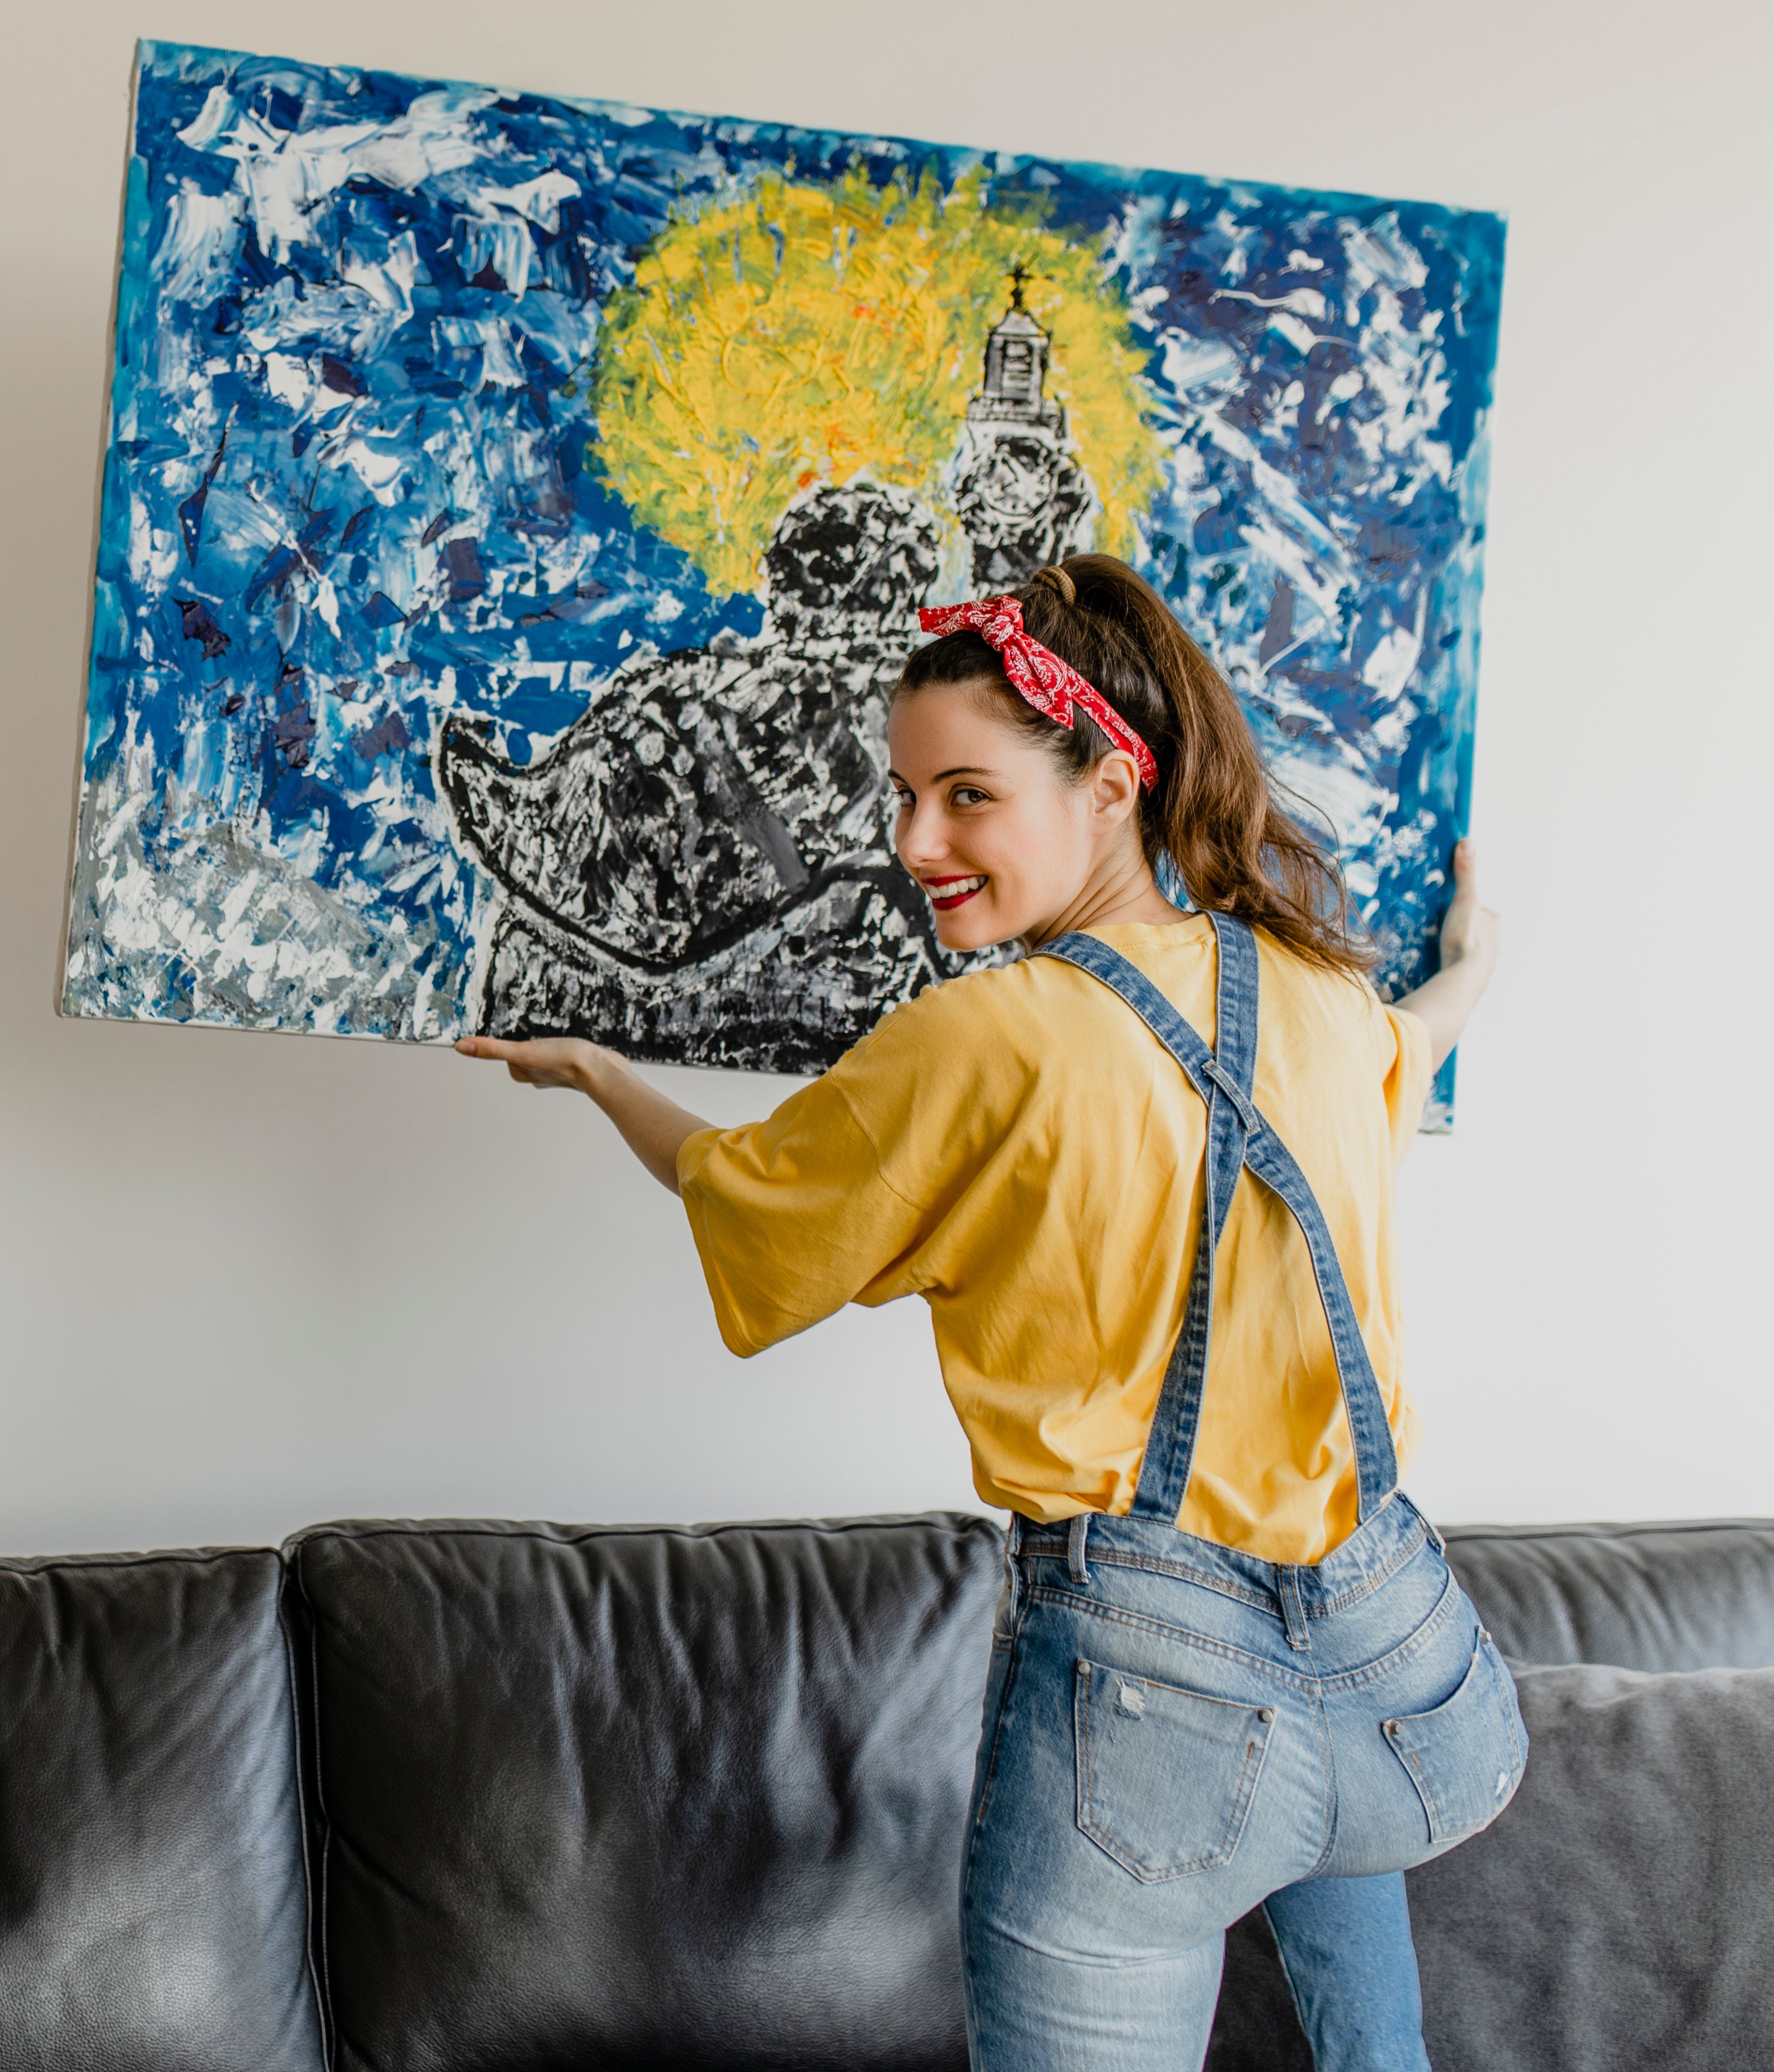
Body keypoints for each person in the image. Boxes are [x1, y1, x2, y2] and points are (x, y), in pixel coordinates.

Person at [456, 555, 1519, 2071]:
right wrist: (1477, 966)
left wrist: (608, 1077)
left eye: (966, 796)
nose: (913, 843)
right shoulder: (1314, 994)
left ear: (1110, 785)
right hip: (1394, 1687)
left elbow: (748, 1197)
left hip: (1156, 1716)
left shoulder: (991, 1036)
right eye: (904, 797)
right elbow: (1409, 1044)